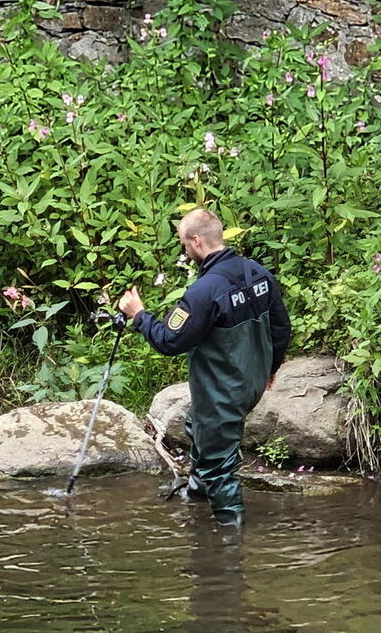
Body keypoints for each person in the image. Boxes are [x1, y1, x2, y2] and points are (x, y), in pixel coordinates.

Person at [118, 208, 291, 527]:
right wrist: (270, 369)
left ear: (196, 241)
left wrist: (139, 315)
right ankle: (196, 492)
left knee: (218, 467)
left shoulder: (204, 292)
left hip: (223, 390)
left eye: (184, 243)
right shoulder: (258, 274)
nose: (184, 250)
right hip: (250, 381)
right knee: (195, 422)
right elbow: (281, 328)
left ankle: (228, 540)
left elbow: (170, 340)